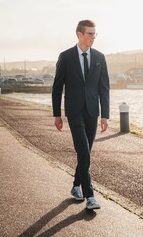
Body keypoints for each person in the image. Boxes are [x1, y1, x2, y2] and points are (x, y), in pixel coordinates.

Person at [52, 20, 110, 210]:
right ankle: (90, 196)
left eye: (95, 34)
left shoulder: (100, 57)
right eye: (90, 34)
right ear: (79, 34)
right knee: (83, 152)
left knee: (86, 153)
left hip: (93, 112)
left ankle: (76, 186)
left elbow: (104, 88)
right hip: (74, 111)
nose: (93, 37)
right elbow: (57, 87)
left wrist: (105, 115)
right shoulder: (66, 57)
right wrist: (57, 114)